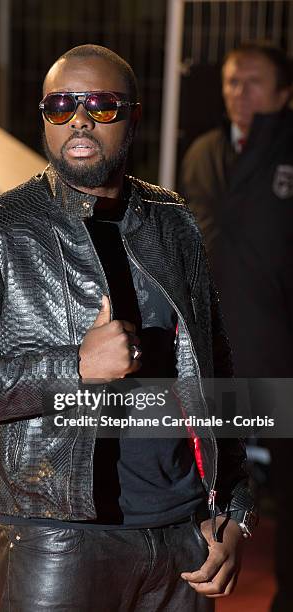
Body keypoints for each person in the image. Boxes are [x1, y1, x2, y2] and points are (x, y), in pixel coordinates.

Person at [0, 45, 256, 612]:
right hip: (58, 537)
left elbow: (214, 367)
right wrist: (73, 367)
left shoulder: (175, 224)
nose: (79, 118)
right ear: (44, 116)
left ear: (133, 117)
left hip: (185, 535)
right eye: (60, 105)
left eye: (100, 104)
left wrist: (234, 504)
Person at [180, 42, 293, 612]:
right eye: (230, 81)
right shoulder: (202, 151)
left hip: (280, 354)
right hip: (213, 352)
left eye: (252, 82)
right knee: (208, 489)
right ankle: (192, 593)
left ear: (282, 93)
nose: (238, 93)